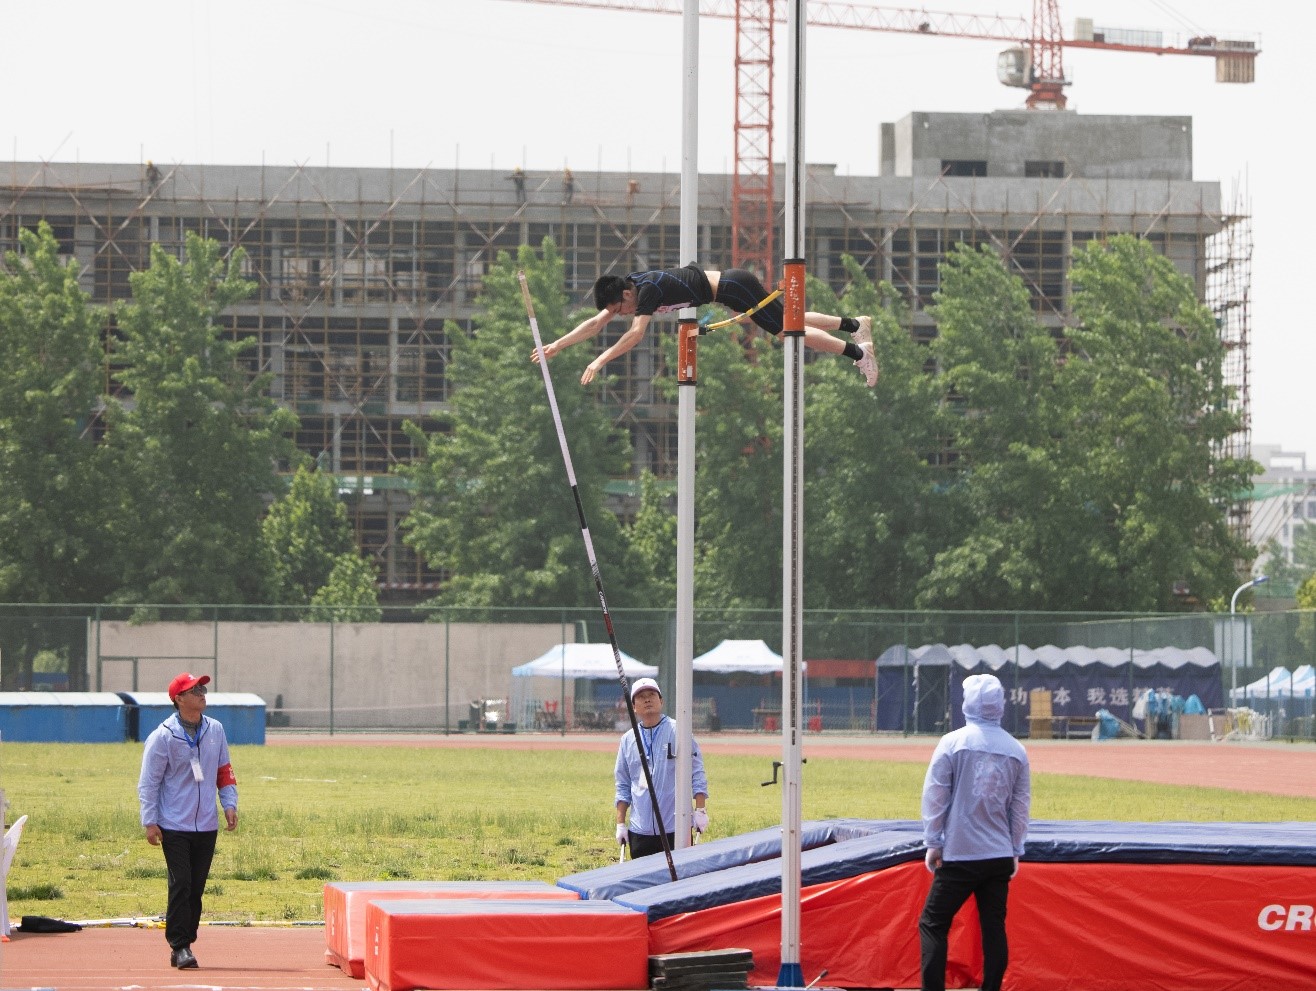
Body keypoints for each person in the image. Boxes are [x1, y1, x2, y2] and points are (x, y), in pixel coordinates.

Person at [530, 264, 878, 387]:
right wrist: (558, 345)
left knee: (789, 331)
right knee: (791, 320)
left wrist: (599, 361)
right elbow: (595, 323)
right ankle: (854, 324)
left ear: (626, 294)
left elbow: (636, 335)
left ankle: (859, 352)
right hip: (730, 289)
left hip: (732, 287)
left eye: (619, 309)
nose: (618, 314)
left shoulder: (646, 292)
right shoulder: (632, 288)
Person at [918, 673, 1031, 991]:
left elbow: (936, 795)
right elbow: (1020, 806)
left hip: (960, 853)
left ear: (966, 703)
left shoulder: (952, 743)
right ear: (1000, 705)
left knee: (933, 922)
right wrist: (1015, 848)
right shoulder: (1016, 750)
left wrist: (933, 841)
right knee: (993, 927)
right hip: (998, 855)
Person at [137, 673, 239, 970]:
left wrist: (229, 803)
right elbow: (149, 782)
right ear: (179, 699)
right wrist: (150, 821)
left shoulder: (215, 729)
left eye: (203, 688)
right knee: (180, 882)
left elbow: (224, 770)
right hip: (173, 824)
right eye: (194, 690)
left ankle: (186, 941)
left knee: (196, 887)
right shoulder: (163, 736)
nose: (202, 693)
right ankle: (180, 945)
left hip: (206, 824)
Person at [614, 678, 708, 859]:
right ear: (634, 707)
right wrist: (620, 823)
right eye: (641, 697)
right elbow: (622, 784)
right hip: (640, 830)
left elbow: (696, 772)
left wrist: (700, 810)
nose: (647, 699)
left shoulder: (679, 731)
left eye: (652, 695)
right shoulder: (628, 740)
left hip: (675, 828)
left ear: (661, 701)